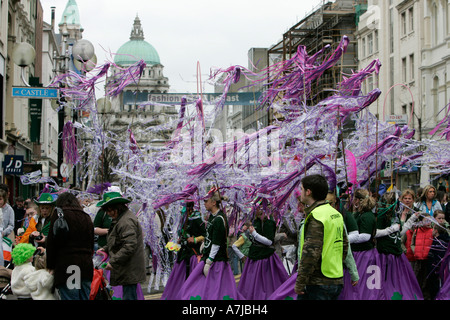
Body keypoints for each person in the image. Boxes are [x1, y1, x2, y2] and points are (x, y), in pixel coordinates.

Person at [179, 190, 243, 300]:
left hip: (216, 261)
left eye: (206, 201)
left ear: (214, 202)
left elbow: (217, 243)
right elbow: (210, 236)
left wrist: (209, 261)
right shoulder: (212, 217)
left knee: (217, 290)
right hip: (209, 256)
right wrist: (204, 243)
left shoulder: (219, 219)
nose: (204, 203)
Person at [294, 174, 348, 300]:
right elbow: (344, 247)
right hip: (336, 278)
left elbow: (310, 254)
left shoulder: (317, 216)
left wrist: (300, 282)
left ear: (308, 192)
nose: (300, 192)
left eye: (301, 189)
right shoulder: (335, 214)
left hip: (318, 283)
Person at [96, 191, 146, 300]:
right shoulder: (120, 219)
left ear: (118, 207)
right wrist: (105, 249)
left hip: (130, 267)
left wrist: (112, 262)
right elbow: (118, 241)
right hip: (127, 266)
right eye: (106, 210)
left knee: (129, 297)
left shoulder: (126, 221)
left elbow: (129, 246)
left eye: (110, 210)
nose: (108, 213)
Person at [45, 192, 94, 300]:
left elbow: (51, 243)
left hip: (68, 265)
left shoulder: (59, 214)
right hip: (86, 265)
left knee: (70, 297)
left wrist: (50, 265)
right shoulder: (86, 217)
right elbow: (91, 242)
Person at [374, 192, 423, 299]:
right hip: (385, 255)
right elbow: (375, 233)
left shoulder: (395, 215)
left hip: (396, 254)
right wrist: (390, 229)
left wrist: (410, 218)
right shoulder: (382, 216)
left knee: (399, 283)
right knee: (386, 283)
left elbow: (399, 233)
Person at [238, 202, 289, 300]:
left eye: (257, 208)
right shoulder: (255, 221)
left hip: (265, 259)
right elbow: (253, 240)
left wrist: (254, 233)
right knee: (250, 285)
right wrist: (248, 232)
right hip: (254, 257)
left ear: (263, 208)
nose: (254, 210)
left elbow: (269, 241)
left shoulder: (270, 223)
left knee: (266, 284)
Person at [161, 201, 205, 300]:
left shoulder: (197, 218)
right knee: (178, 279)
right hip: (183, 254)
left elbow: (205, 235)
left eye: (183, 207)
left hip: (193, 254)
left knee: (192, 279)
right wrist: (178, 241)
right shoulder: (182, 219)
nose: (181, 210)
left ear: (189, 207)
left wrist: (195, 239)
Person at [427, 210, 450, 299]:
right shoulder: (427, 228)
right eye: (439, 218)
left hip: (437, 265)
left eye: (443, 218)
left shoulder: (445, 234)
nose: (441, 220)